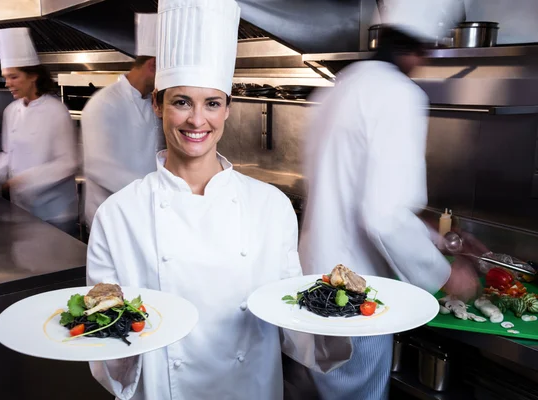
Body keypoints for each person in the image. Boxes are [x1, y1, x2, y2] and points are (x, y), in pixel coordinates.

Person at [86, 1, 351, 399]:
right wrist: (108, 341)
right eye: (181, 102)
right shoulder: (118, 214)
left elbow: (287, 318)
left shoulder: (270, 206)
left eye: (212, 103)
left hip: (250, 387)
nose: (197, 120)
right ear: (157, 104)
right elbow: (107, 343)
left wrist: (337, 317)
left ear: (227, 109)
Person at [298, 1, 477, 399]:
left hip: (315, 276)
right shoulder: (399, 94)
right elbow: (382, 215)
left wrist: (432, 236)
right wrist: (447, 274)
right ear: (420, 49)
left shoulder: (342, 85)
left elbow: (349, 190)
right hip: (357, 292)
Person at [0, 28, 79, 235]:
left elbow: (67, 163)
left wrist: (23, 180)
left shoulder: (56, 111)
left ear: (33, 76)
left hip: (55, 212)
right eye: (6, 77)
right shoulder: (11, 111)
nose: (7, 83)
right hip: (21, 209)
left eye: (13, 77)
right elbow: (9, 155)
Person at [81, 13, 163, 230]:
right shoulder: (104, 103)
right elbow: (100, 168)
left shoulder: (154, 102)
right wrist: (156, 193)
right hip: (111, 220)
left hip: (143, 216)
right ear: (153, 65)